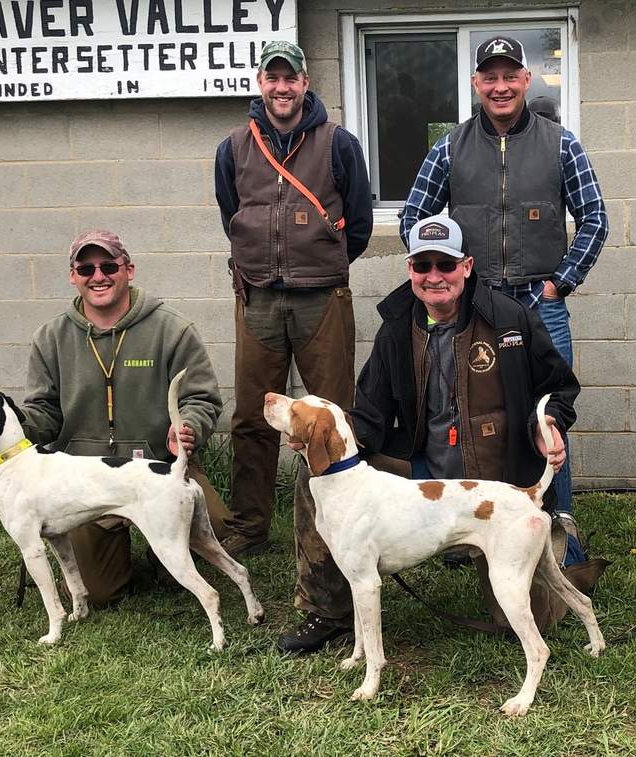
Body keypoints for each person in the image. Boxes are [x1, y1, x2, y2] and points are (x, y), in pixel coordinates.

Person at [274, 214, 579, 654]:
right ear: (410, 270)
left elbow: (559, 386)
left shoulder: (511, 319)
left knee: (530, 619)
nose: (434, 276)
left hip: (497, 475)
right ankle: (329, 609)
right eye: (423, 265)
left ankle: (559, 549)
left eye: (445, 264)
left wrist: (545, 424)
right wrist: (320, 439)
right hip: (419, 466)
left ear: (467, 266)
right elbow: (371, 417)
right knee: (317, 475)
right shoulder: (397, 328)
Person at [400, 35, 607, 561]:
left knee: (547, 417)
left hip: (542, 303)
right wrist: (449, 277)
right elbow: (412, 220)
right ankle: (469, 538)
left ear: (525, 79)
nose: (499, 86)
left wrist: (561, 281)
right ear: (476, 84)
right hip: (477, 304)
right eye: (488, 77)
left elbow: (595, 219)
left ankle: (561, 541)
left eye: (509, 75)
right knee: (467, 411)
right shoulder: (449, 147)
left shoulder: (562, 143)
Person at [0, 230, 228, 607]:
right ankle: (137, 550)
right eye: (85, 267)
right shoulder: (51, 338)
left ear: (129, 270)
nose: (98, 276)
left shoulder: (172, 329)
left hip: (158, 465)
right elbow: (43, 415)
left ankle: (163, 554)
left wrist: (188, 425)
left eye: (109, 265)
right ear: (72, 276)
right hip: (86, 481)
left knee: (218, 528)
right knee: (101, 591)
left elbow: (202, 397)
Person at [213, 40, 374, 561]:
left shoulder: (338, 143)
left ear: (306, 83)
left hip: (322, 299)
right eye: (272, 78)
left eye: (291, 78)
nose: (282, 88)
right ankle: (249, 526)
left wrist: (319, 262)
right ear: (260, 83)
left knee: (332, 417)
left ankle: (332, 523)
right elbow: (232, 215)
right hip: (257, 298)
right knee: (251, 416)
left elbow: (360, 225)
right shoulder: (232, 148)